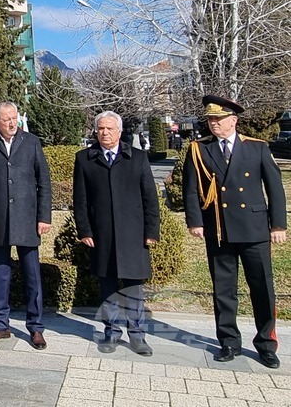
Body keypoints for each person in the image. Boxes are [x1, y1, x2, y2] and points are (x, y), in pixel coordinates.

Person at [183, 95, 287, 369]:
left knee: (262, 288)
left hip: (254, 229)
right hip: (219, 229)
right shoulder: (200, 150)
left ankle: (266, 343)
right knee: (223, 290)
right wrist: (195, 222)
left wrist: (278, 225)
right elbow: (191, 189)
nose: (213, 124)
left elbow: (275, 188)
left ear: (234, 120)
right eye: (210, 120)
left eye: (218, 119)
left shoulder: (257, 148)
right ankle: (229, 341)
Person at [74, 111, 160, 356]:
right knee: (108, 288)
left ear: (120, 131)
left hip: (133, 234)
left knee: (134, 288)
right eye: (101, 128)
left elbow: (150, 198)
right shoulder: (84, 159)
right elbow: (80, 200)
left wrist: (151, 231)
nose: (105, 133)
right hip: (102, 235)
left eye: (110, 128)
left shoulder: (138, 157)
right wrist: (84, 230)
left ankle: (137, 336)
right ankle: (111, 332)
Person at [0, 102, 52, 349]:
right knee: (1, 274)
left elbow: (44, 182)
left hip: (27, 218)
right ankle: (0, 324)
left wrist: (44, 216)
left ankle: (35, 327)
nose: (11, 123)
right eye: (6, 119)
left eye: (14, 118)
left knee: (32, 275)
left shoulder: (31, 142)